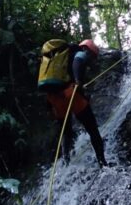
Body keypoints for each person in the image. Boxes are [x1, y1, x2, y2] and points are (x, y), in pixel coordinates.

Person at [43, 39, 108, 167]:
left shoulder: (59, 60)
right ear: (87, 49)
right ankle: (103, 163)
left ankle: (65, 163)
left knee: (66, 132)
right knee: (93, 129)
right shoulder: (80, 53)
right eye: (92, 56)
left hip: (55, 99)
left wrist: (49, 106)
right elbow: (78, 62)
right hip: (70, 94)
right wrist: (78, 81)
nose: (91, 60)